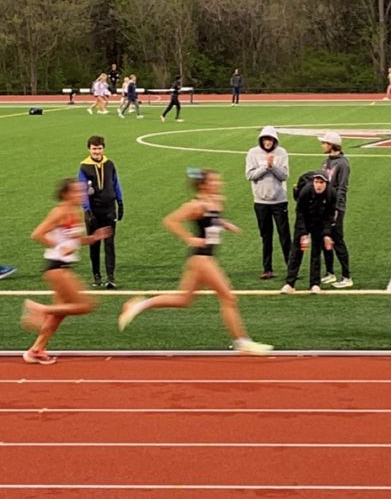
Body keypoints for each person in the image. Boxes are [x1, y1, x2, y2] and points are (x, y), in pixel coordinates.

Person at [119, 169, 272, 355]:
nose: (219, 184)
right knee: (228, 297)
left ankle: (139, 304)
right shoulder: (196, 206)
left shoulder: (215, 201)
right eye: (215, 181)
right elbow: (171, 221)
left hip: (202, 259)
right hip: (201, 259)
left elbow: (212, 221)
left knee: (183, 300)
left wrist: (224, 224)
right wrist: (189, 238)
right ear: (204, 185)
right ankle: (242, 342)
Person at [20, 178, 111, 365]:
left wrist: (94, 237)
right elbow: (37, 234)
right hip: (56, 267)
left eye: (82, 192)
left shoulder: (74, 213)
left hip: (62, 267)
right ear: (66, 194)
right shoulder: (59, 212)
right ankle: (40, 309)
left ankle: (36, 350)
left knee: (59, 314)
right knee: (86, 305)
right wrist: (59, 247)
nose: (82, 195)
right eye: (78, 192)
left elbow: (76, 241)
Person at [245, 126, 291, 280]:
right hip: (261, 201)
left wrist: (273, 166)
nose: (267, 142)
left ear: (275, 140)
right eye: (265, 139)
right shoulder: (253, 153)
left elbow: (284, 175)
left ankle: (291, 267)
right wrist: (266, 167)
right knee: (266, 236)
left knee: (285, 236)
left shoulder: (282, 153)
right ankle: (267, 269)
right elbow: (250, 175)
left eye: (270, 139)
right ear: (261, 140)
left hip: (279, 201)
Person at [78, 135, 124, 289]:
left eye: (99, 148)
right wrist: (87, 210)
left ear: (103, 148)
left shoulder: (110, 164)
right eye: (94, 148)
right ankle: (96, 275)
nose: (97, 151)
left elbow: (116, 183)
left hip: (109, 209)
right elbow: (82, 190)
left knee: (110, 244)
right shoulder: (84, 167)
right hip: (93, 211)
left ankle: (111, 277)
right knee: (94, 244)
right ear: (89, 149)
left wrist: (120, 201)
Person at [281, 173, 336, 294]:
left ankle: (315, 284)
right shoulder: (305, 191)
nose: (318, 185)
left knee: (316, 253)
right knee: (296, 252)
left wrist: (327, 234)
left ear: (326, 184)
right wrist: (303, 233)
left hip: (319, 223)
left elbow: (329, 215)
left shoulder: (331, 194)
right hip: (305, 221)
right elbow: (300, 212)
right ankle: (290, 283)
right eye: (316, 182)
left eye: (321, 182)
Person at [320, 132, 352, 287]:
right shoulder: (326, 162)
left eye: (324, 143)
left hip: (335, 208)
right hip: (324, 206)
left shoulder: (343, 164)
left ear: (332, 144)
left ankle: (346, 276)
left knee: (338, 240)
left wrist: (336, 209)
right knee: (325, 239)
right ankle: (330, 273)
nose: (322, 145)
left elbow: (342, 188)